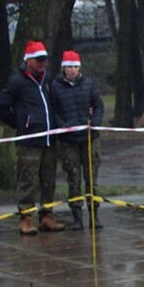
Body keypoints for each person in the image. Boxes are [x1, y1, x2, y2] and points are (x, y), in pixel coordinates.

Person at [0, 40, 65, 235]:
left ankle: (47, 216)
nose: (43, 64)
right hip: (29, 141)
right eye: (39, 60)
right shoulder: (16, 81)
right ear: (28, 61)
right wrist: (19, 123)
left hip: (49, 139)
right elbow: (2, 105)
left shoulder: (48, 80)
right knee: (28, 180)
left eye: (45, 60)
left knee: (49, 179)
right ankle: (26, 219)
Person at [49, 50, 104, 230]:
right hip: (68, 140)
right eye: (69, 67)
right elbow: (54, 111)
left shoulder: (88, 84)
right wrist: (63, 125)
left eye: (75, 66)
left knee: (91, 178)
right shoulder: (55, 87)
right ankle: (77, 216)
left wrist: (94, 122)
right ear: (63, 68)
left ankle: (94, 215)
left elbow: (98, 105)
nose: (73, 70)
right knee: (73, 179)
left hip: (89, 138)